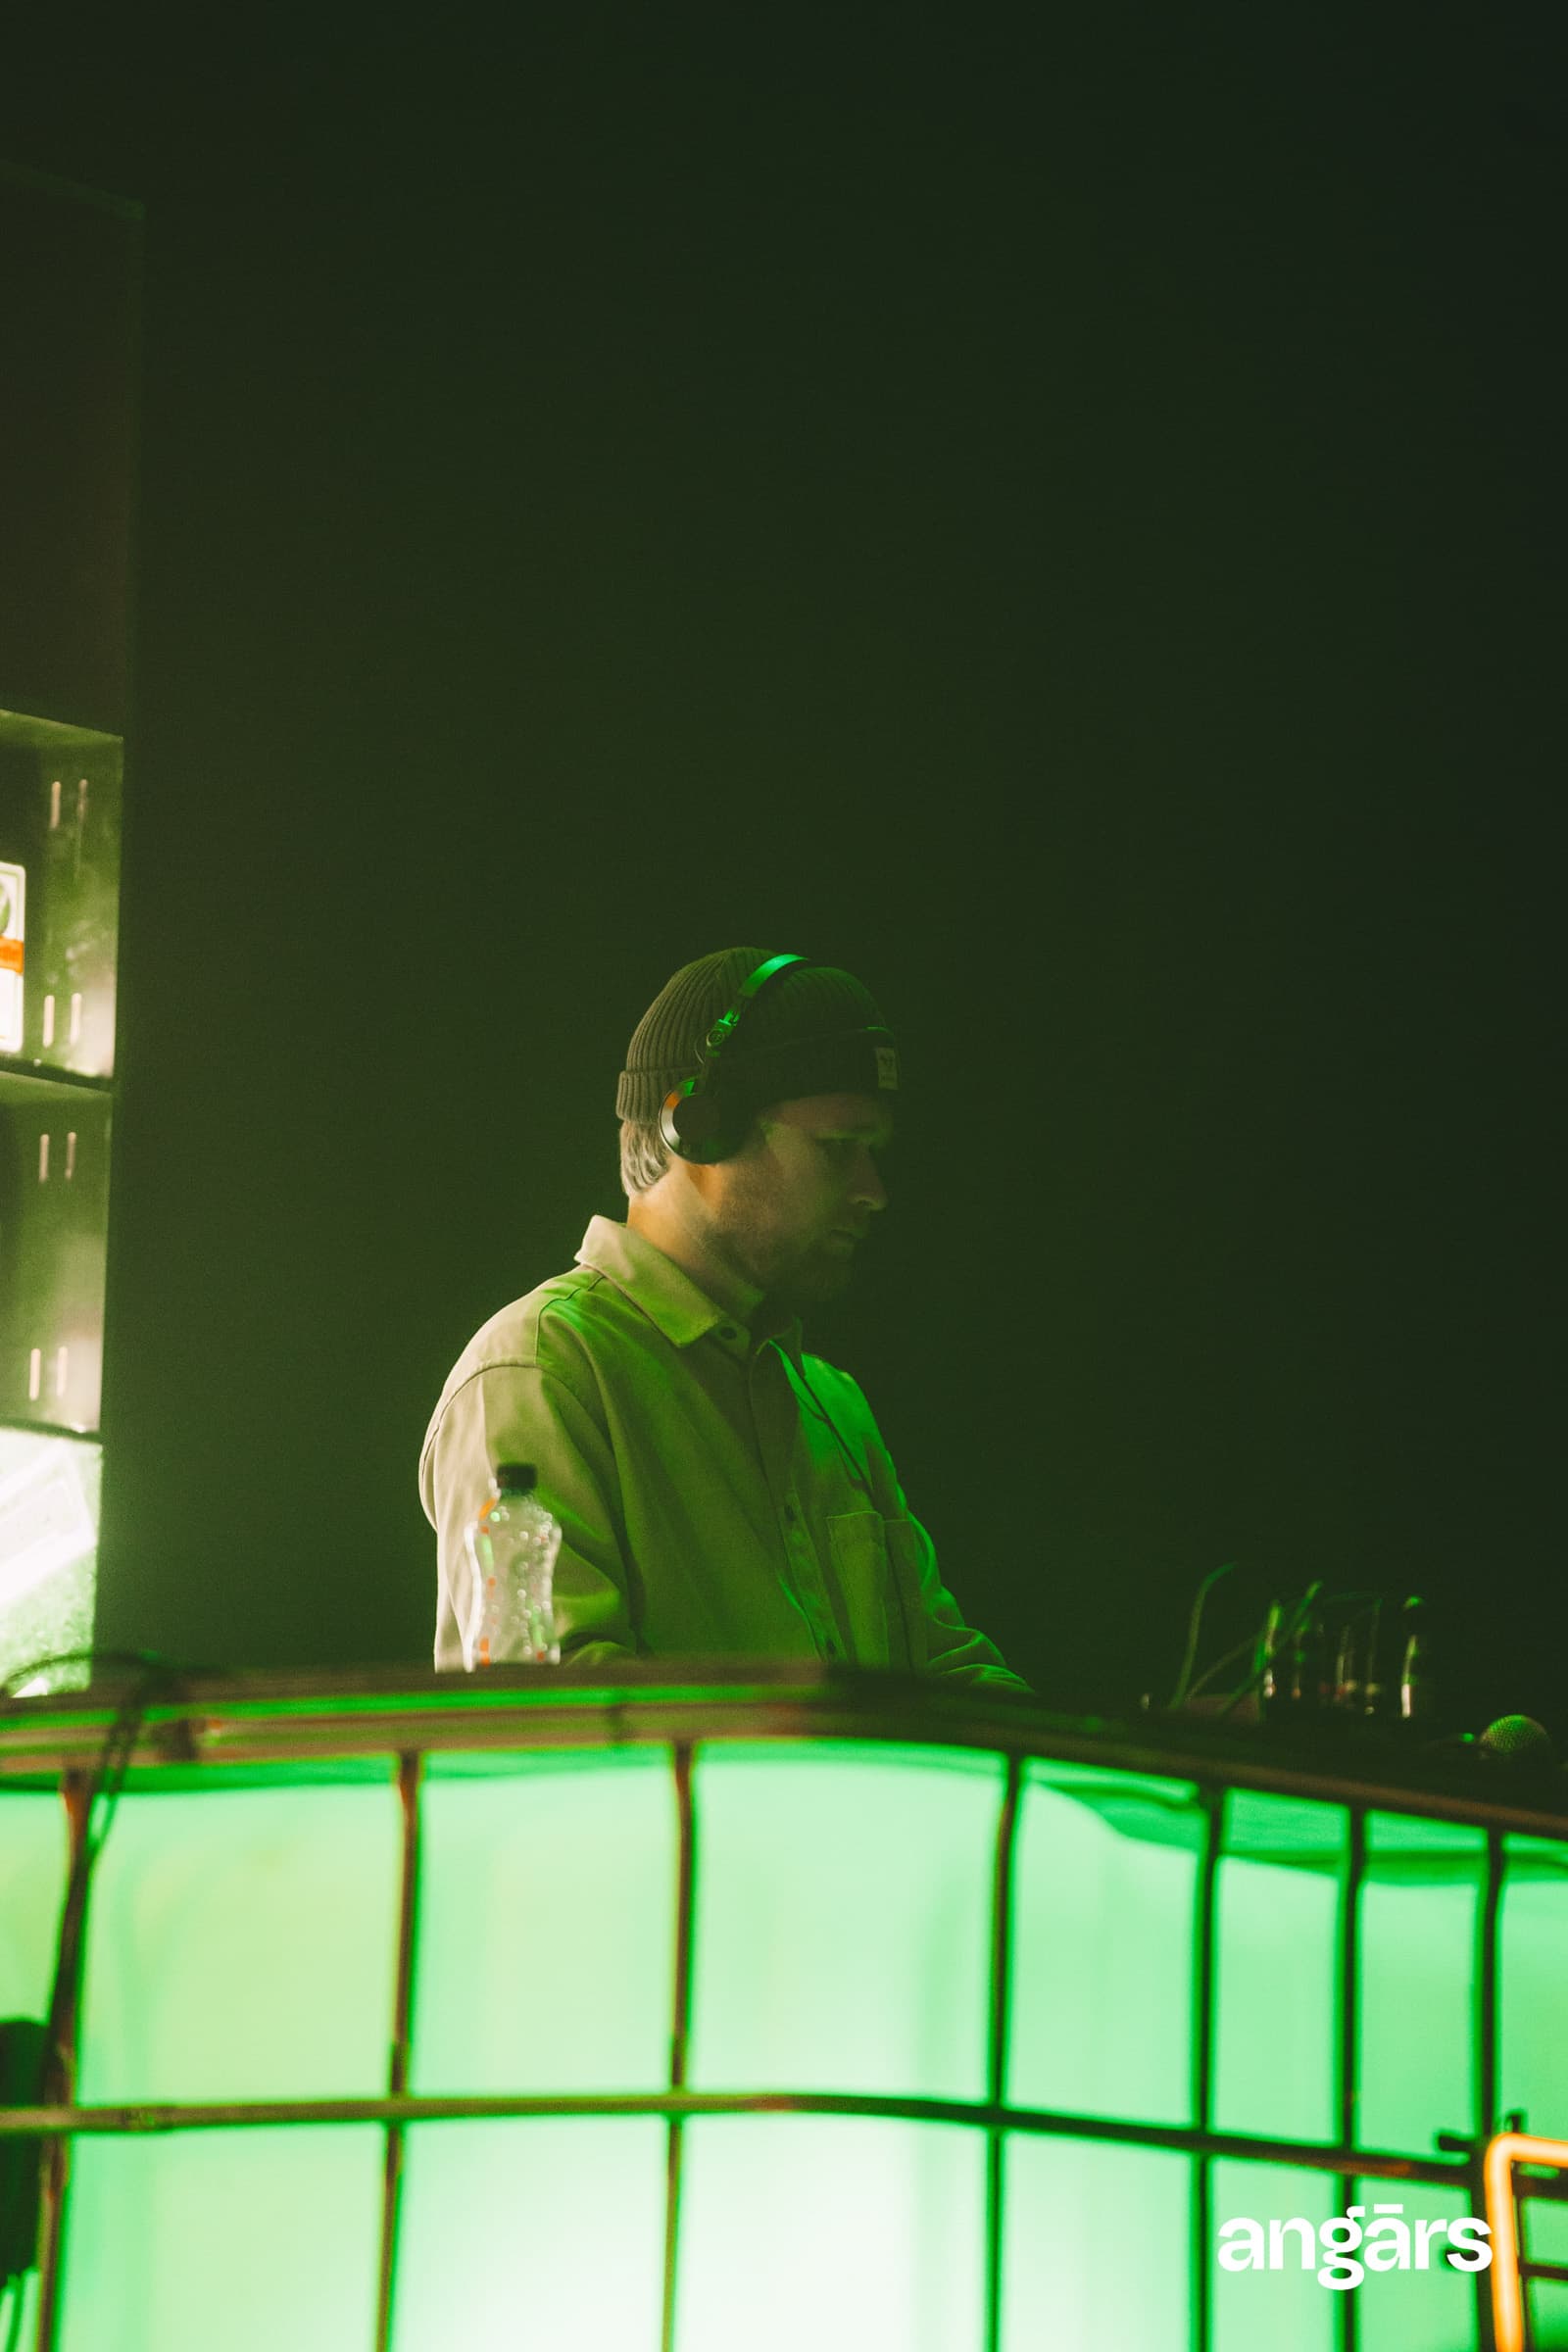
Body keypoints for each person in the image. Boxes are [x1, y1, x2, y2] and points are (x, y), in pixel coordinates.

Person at [419, 947, 1027, 1690]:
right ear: (701, 1130)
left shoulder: (832, 1403)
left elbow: (939, 1671)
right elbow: (551, 1717)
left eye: (873, 1152)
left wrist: (1095, 1748)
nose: (873, 1190)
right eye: (838, 1148)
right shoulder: (540, 1371)